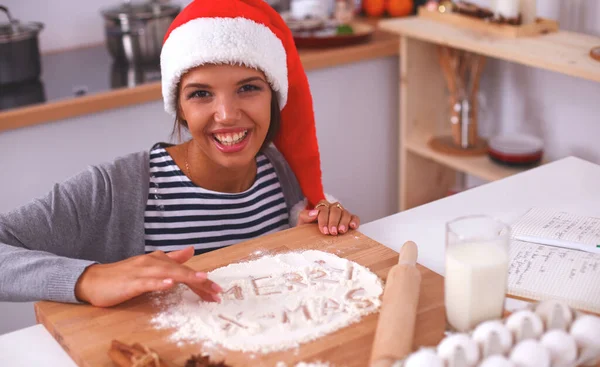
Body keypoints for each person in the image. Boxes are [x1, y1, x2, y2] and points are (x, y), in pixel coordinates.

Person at [0, 0, 360, 308]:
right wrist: (88, 278)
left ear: (274, 97)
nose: (227, 114)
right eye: (201, 94)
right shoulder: (113, 189)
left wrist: (316, 226)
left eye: (248, 88)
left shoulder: (280, 171)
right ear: (179, 107)